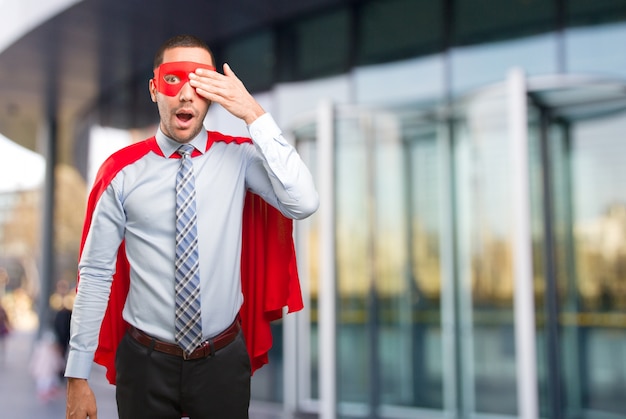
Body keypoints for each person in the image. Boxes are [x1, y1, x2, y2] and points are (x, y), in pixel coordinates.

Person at [64, 34, 319, 419]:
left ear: (213, 92)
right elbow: (97, 274)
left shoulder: (240, 158)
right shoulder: (120, 174)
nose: (186, 94)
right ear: (154, 89)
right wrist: (77, 377)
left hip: (222, 362)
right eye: (174, 80)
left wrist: (253, 113)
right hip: (145, 363)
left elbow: (303, 201)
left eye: (200, 82)